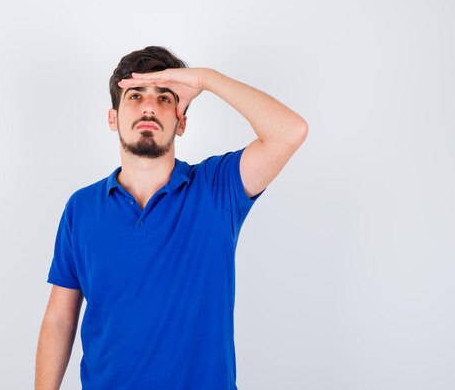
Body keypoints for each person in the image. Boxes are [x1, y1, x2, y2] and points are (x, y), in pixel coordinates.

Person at [35, 46, 308, 390]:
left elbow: (290, 131)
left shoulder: (217, 188)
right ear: (112, 117)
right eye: (135, 96)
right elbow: (60, 318)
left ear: (181, 122)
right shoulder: (81, 208)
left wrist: (205, 79)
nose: (149, 106)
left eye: (165, 98)